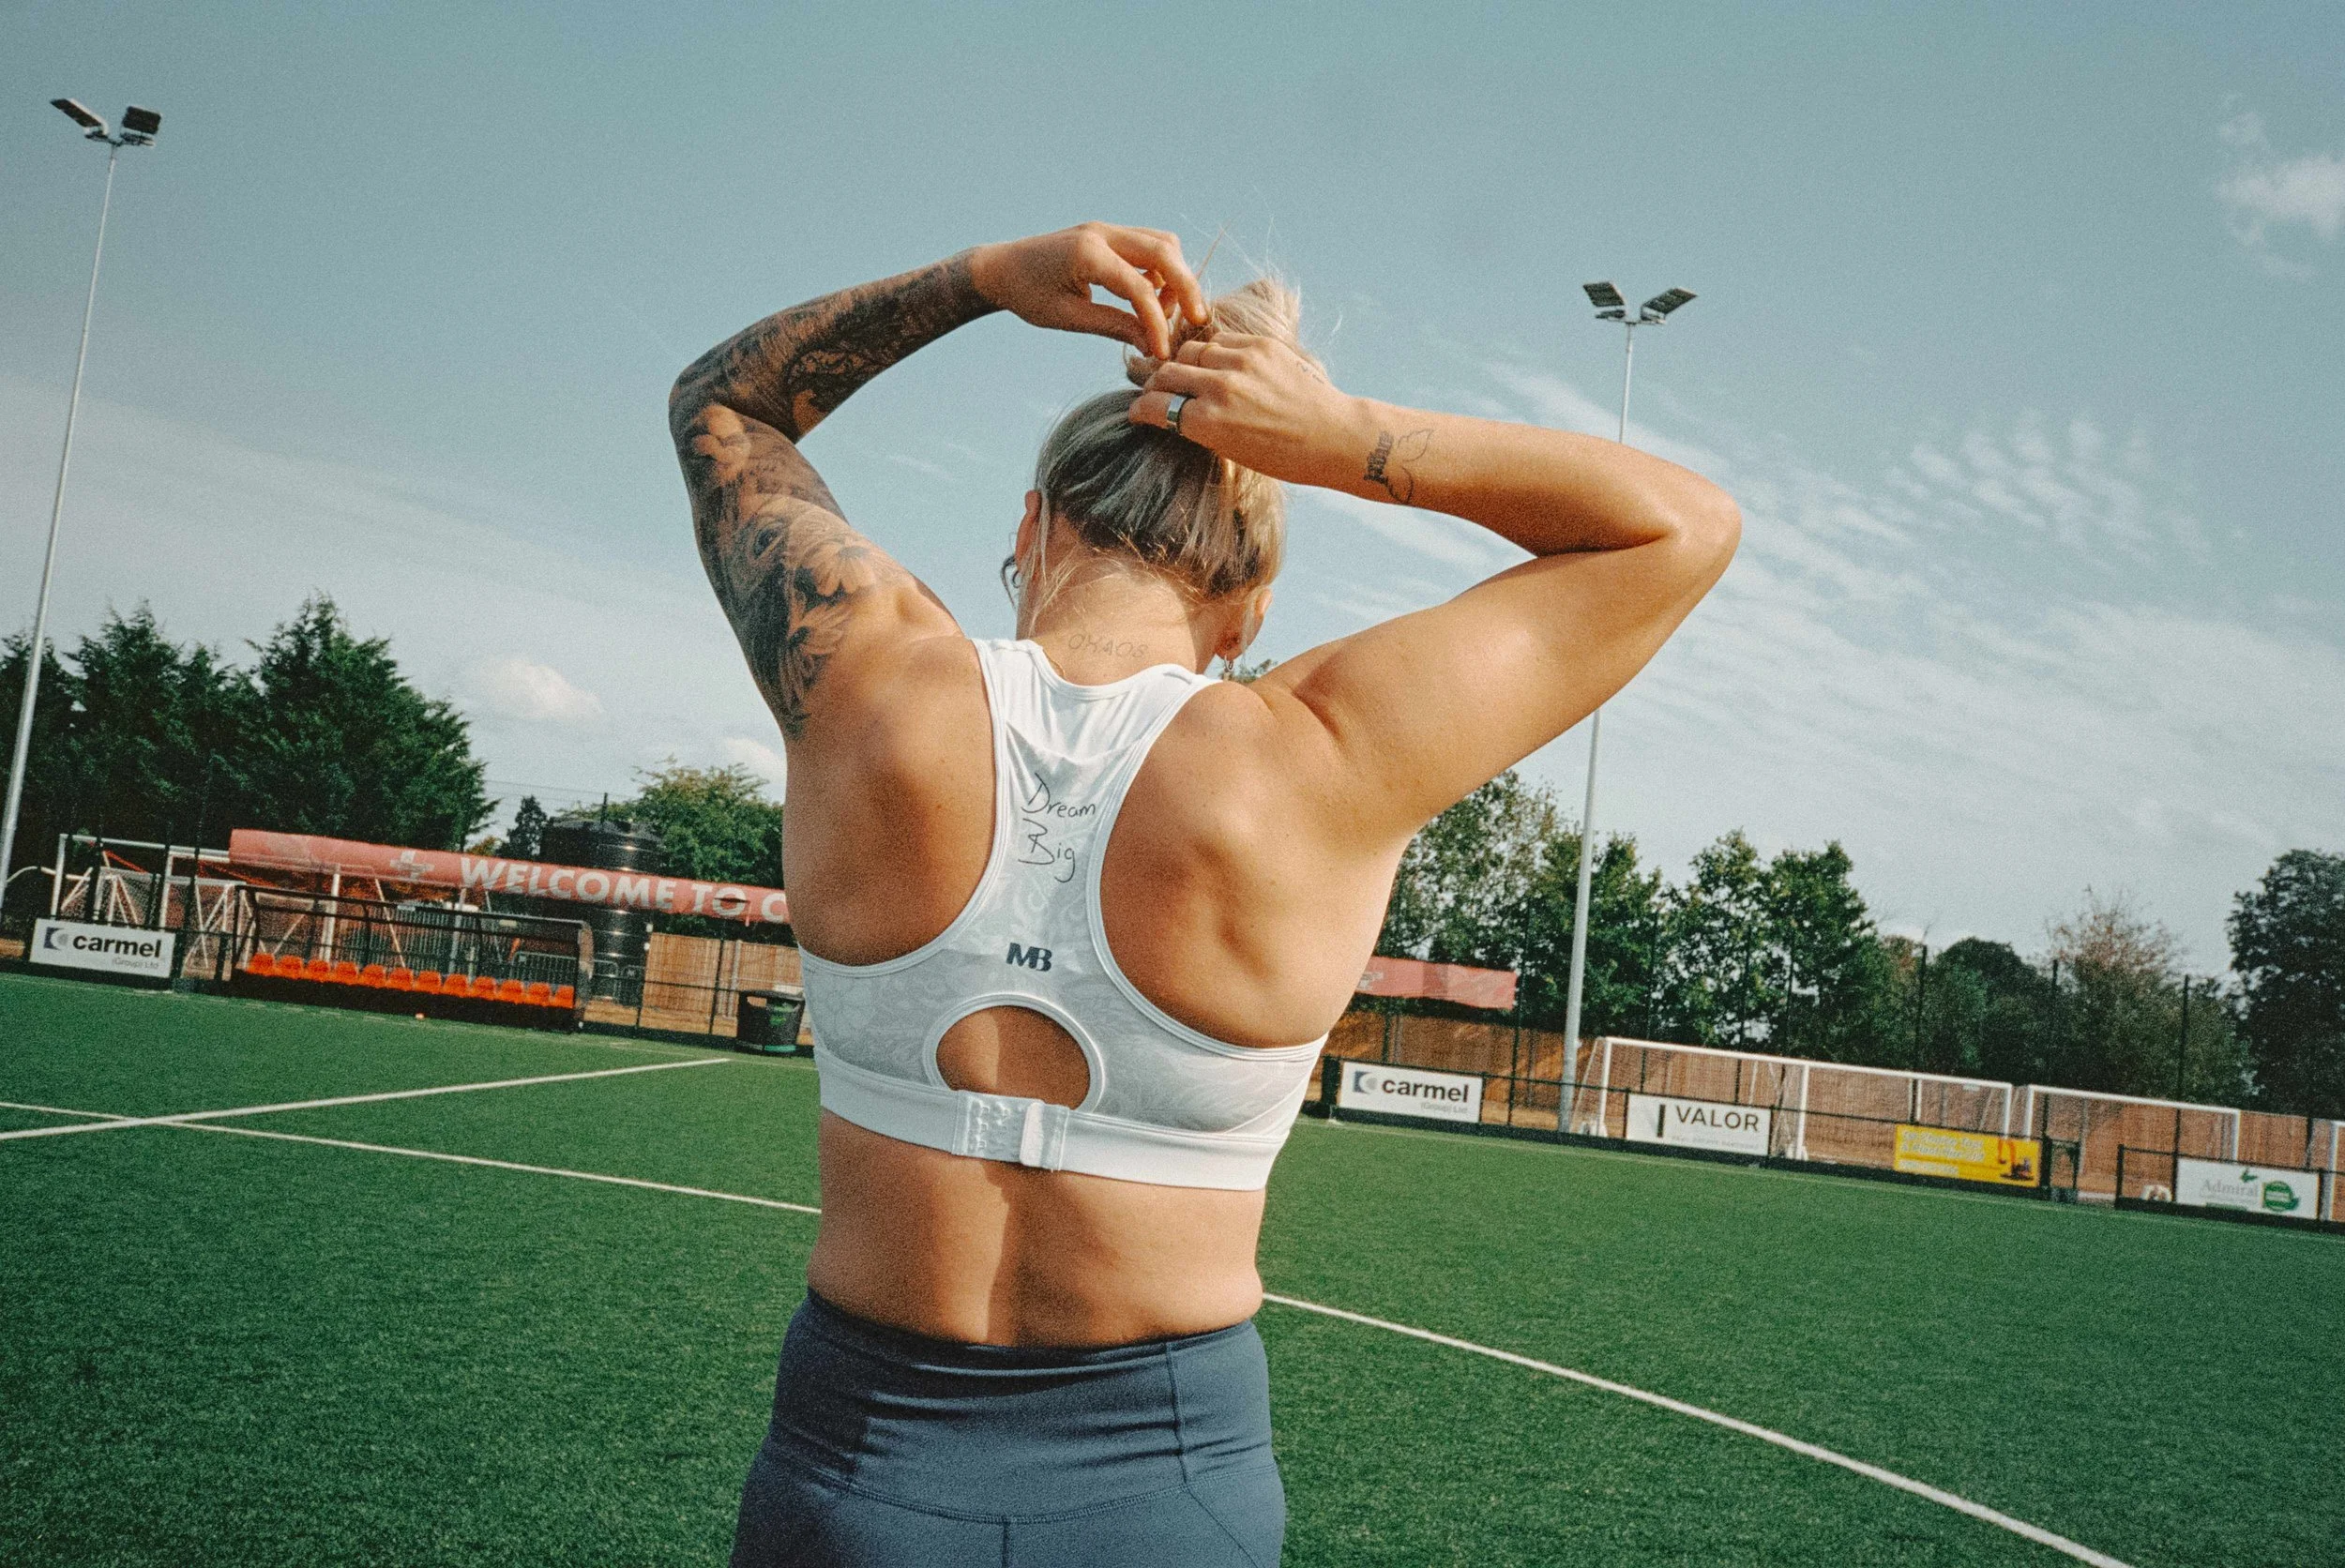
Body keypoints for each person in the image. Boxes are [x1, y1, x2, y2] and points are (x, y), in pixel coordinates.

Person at [671, 222, 1738, 1567]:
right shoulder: (1323, 756)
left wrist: (987, 282)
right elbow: (1683, 528)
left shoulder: (866, 684)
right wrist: (1346, 437)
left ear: (1031, 529)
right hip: (1163, 1492)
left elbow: (725, 401)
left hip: (859, 1465)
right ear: (1251, 603)